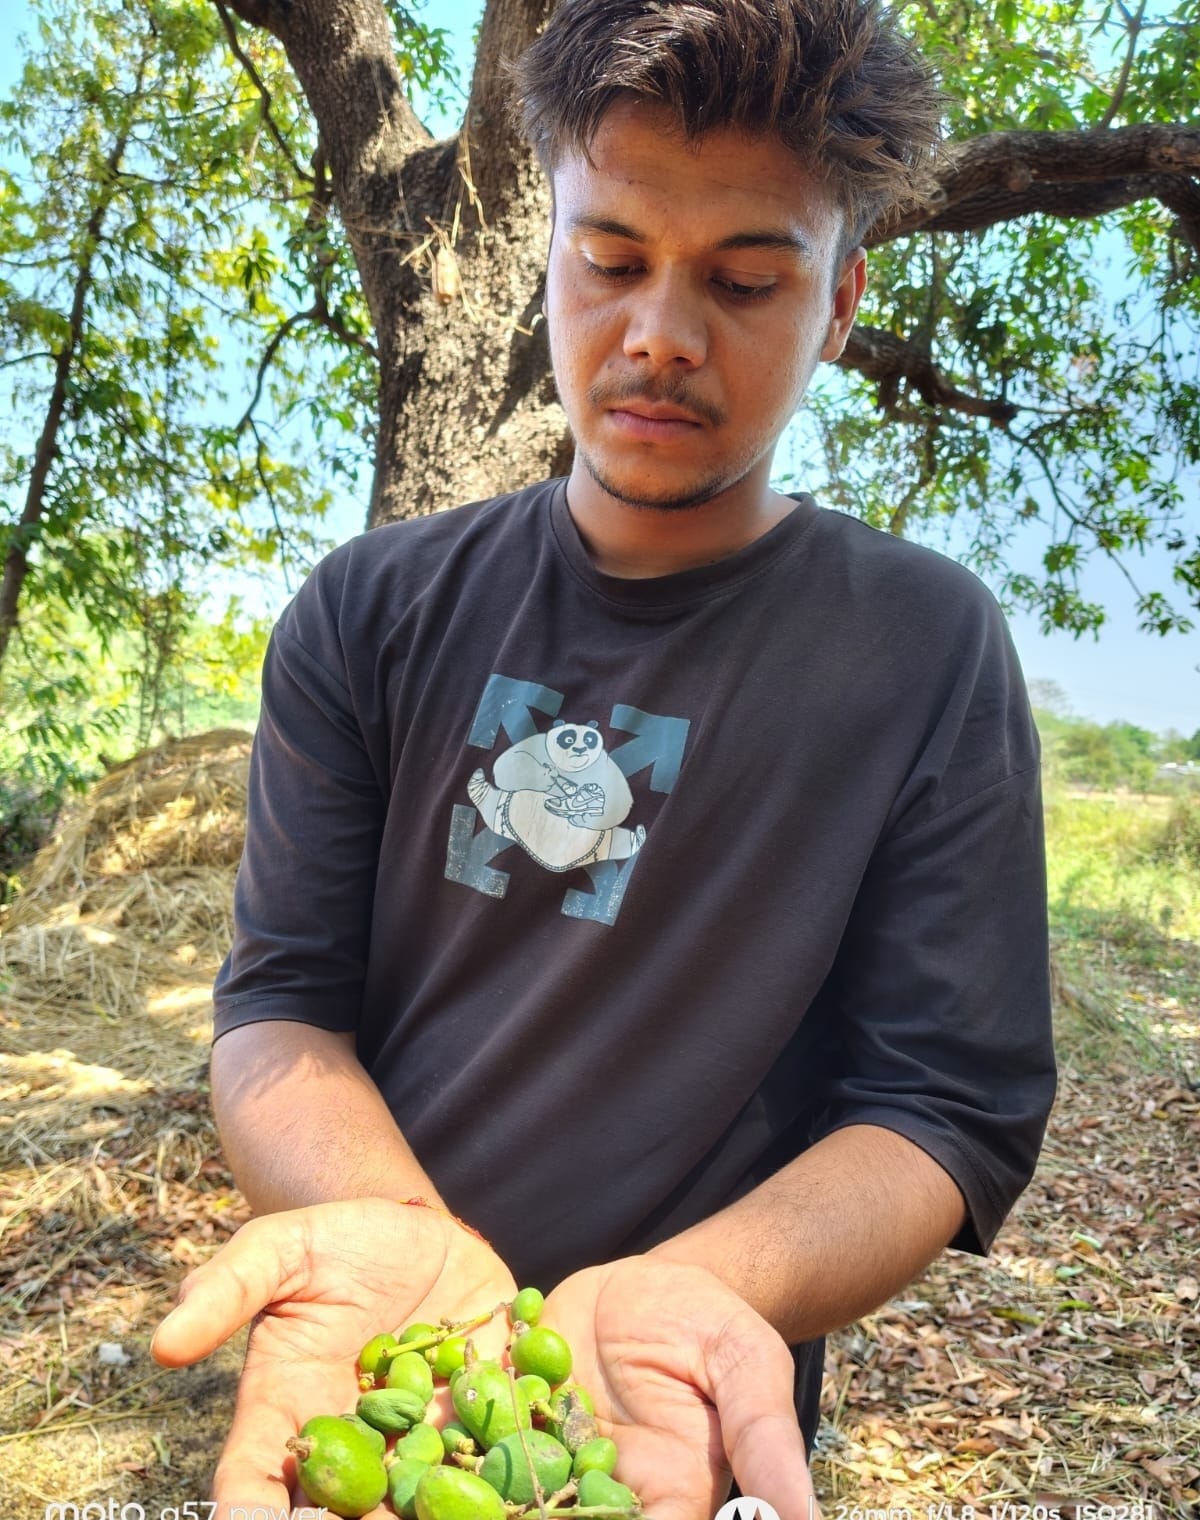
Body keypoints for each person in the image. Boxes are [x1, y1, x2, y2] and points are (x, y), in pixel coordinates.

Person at [151, 1, 1057, 1515]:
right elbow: (281, 1006)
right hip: (396, 1384)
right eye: (612, 258)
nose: (658, 336)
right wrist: (418, 1268)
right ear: (550, 251)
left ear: (837, 303)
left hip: (689, 1407)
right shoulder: (368, 610)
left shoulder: (923, 650)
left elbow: (944, 1107)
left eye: (747, 280)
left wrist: (693, 1298)